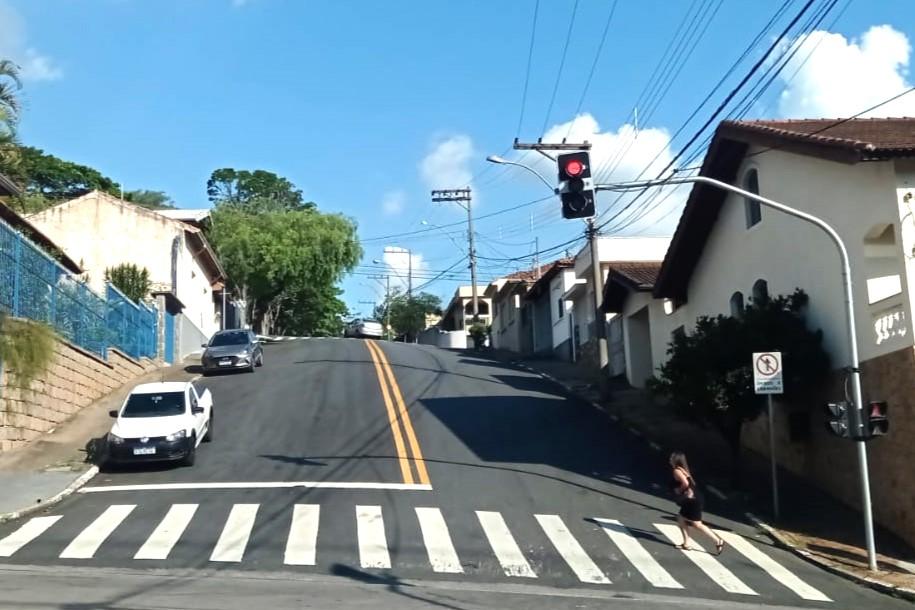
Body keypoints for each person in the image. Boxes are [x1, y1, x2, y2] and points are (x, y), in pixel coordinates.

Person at [669, 452, 725, 554]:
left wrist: (679, 490)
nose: (670, 459)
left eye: (672, 458)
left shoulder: (677, 470)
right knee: (681, 518)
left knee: (697, 524)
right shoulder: (684, 469)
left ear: (676, 460)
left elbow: (685, 483)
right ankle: (686, 544)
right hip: (694, 497)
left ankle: (718, 540)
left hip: (692, 499)